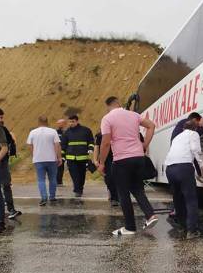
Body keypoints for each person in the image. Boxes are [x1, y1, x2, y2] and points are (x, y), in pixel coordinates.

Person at [98, 96, 158, 236]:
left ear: (108, 106)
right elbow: (151, 126)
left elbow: (106, 142)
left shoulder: (107, 119)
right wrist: (144, 145)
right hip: (138, 158)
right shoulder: (134, 115)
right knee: (137, 189)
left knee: (123, 193)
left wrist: (101, 163)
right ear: (118, 103)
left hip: (122, 160)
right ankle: (150, 216)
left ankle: (130, 227)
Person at [165, 118, 203, 239]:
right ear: (195, 128)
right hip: (183, 168)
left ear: (183, 128)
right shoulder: (193, 134)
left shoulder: (177, 137)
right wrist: (202, 166)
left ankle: (182, 227)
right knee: (191, 199)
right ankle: (192, 230)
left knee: (177, 199)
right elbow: (196, 150)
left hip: (170, 169)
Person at [0, 108, 22, 219]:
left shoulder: (3, 129)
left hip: (3, 161)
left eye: (1, 117)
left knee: (6, 185)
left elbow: (10, 142)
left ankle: (11, 209)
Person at [27, 116, 62, 205]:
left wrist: (34, 155)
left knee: (41, 180)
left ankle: (43, 198)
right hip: (51, 159)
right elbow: (57, 145)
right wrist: (59, 157)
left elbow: (30, 145)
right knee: (53, 179)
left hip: (38, 159)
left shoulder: (33, 132)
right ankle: (52, 197)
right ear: (47, 122)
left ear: (38, 122)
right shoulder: (53, 131)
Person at [62, 115, 94, 197]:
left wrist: (90, 148)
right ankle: (77, 190)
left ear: (77, 121)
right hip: (71, 158)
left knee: (82, 175)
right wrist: (62, 156)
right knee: (74, 174)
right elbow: (63, 145)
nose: (71, 123)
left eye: (73, 121)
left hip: (83, 157)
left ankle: (80, 188)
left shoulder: (86, 130)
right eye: (70, 121)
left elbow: (91, 140)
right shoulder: (67, 132)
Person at [94, 131, 118, 207]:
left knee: (119, 177)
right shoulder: (99, 135)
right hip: (106, 159)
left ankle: (117, 196)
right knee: (109, 178)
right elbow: (96, 147)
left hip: (120, 156)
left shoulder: (119, 132)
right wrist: (95, 159)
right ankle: (114, 197)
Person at [55, 119, 67, 186]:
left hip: (66, 152)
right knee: (58, 167)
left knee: (61, 167)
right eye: (58, 123)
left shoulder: (67, 132)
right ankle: (58, 181)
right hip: (56, 152)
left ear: (64, 124)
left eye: (60, 123)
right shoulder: (54, 132)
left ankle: (59, 181)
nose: (59, 124)